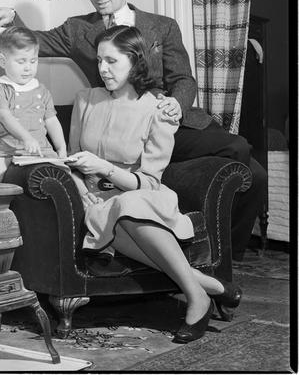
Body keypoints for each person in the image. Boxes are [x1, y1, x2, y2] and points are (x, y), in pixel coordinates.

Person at [0, 0, 267, 261]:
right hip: (124, 127)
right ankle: (203, 253)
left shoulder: (162, 26)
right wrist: (12, 18)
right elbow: (36, 43)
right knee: (250, 170)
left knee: (249, 164)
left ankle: (226, 256)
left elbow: (184, 79)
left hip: (170, 118)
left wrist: (176, 103)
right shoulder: (78, 30)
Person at [63, 25, 241, 344]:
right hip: (98, 202)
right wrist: (80, 188)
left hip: (143, 197)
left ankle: (197, 298)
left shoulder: (159, 109)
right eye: (100, 60)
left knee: (127, 204)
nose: (103, 68)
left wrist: (104, 168)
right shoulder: (85, 100)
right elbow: (72, 159)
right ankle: (208, 286)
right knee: (116, 210)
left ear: (135, 61)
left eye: (112, 61)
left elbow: (147, 182)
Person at [0, 27, 67, 182]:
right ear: (2, 61)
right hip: (5, 150)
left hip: (41, 149)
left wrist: (61, 148)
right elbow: (5, 117)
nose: (28, 67)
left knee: (66, 176)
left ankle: (87, 196)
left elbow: (51, 121)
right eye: (21, 62)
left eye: (33, 61)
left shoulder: (42, 90)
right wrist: (26, 138)